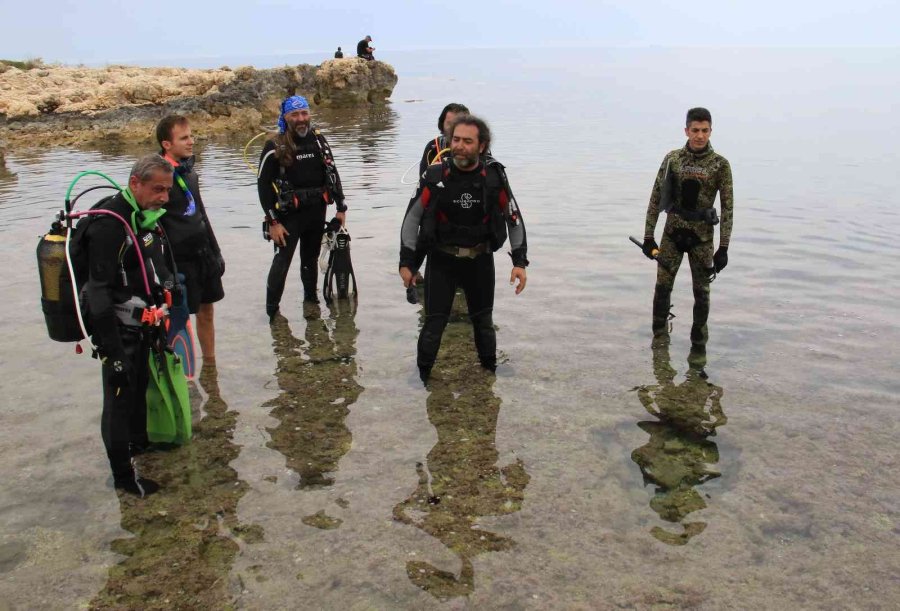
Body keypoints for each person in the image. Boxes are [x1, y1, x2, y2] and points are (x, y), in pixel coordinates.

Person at [399, 115, 528, 383]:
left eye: (467, 141)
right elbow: (411, 219)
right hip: (442, 260)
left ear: (482, 146)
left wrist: (519, 262)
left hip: (480, 261)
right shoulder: (435, 176)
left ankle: (489, 377)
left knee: (484, 323)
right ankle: (422, 379)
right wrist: (407, 263)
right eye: (456, 139)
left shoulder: (494, 177)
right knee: (434, 324)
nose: (459, 146)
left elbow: (513, 218)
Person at [83, 154, 175, 497]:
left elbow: (144, 268)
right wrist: (112, 352)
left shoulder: (140, 218)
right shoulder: (110, 225)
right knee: (118, 401)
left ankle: (138, 447)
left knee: (138, 390)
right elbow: (98, 292)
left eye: (167, 190)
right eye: (157, 189)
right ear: (135, 183)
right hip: (116, 330)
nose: (164, 197)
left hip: (142, 325)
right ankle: (122, 477)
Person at [642, 107, 733, 354]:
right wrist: (649, 236)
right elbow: (655, 198)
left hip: (701, 239)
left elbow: (728, 208)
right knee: (662, 289)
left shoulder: (720, 165)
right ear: (686, 130)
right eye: (695, 130)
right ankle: (659, 344)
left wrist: (724, 248)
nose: (700, 135)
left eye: (704, 130)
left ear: (711, 131)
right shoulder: (672, 159)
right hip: (672, 235)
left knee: (702, 294)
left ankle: (698, 351)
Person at [257, 95, 346, 319]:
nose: (301, 119)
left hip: (316, 211)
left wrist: (341, 207)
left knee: (310, 259)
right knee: (282, 262)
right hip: (288, 217)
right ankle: (272, 312)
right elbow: (263, 186)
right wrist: (273, 222)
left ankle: (311, 302)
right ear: (285, 117)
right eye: (295, 114)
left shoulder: (319, 141)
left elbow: (333, 172)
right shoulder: (274, 146)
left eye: (304, 113)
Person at [156, 115, 225, 362]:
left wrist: (216, 251)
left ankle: (210, 365)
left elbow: (201, 214)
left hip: (203, 254)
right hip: (179, 260)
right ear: (166, 144)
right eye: (184, 138)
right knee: (178, 318)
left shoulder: (190, 172)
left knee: (207, 311)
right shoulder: (158, 179)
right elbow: (149, 225)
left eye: (191, 136)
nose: (191, 141)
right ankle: (179, 369)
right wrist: (163, 270)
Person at [418, 102, 469, 181]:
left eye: (458, 124)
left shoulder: (478, 147)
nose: (454, 128)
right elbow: (422, 181)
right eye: (449, 124)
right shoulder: (433, 148)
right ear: (442, 124)